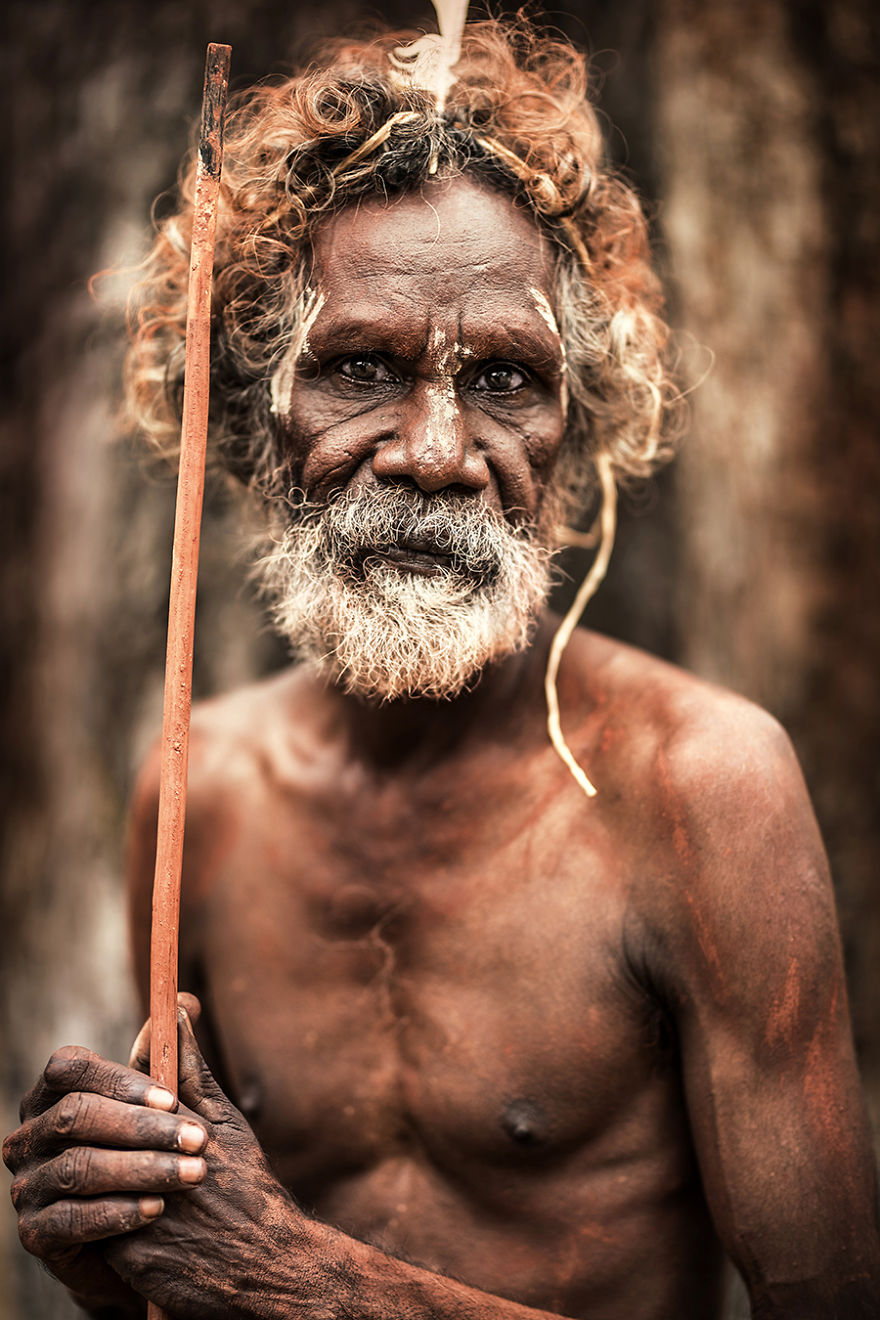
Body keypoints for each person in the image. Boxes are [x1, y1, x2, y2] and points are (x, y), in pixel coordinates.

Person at [4, 16, 879, 1320]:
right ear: (247, 420)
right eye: (359, 368)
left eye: (508, 382)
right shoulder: (205, 799)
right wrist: (119, 1258)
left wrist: (302, 1280)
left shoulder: (702, 788)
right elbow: (206, 1264)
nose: (436, 450)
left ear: (578, 434)